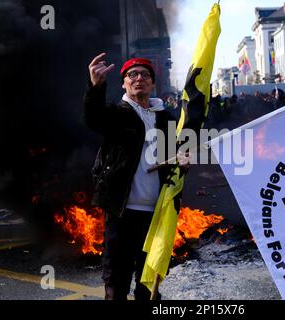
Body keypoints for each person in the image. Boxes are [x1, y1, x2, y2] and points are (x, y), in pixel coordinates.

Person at [84, 53, 185, 300]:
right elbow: (93, 117)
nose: (138, 78)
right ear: (124, 83)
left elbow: (182, 150)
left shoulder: (166, 119)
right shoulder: (117, 115)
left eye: (145, 75)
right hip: (122, 214)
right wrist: (96, 87)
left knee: (148, 286)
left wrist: (184, 159)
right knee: (116, 285)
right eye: (132, 75)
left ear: (152, 83)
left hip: (157, 215)